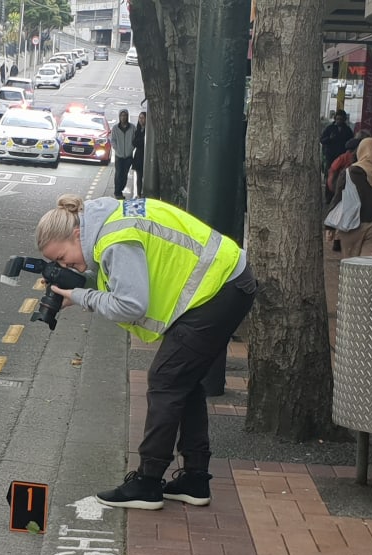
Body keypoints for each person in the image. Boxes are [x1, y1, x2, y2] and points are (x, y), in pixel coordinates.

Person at [34, 193, 255, 509]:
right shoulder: (108, 220)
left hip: (217, 289)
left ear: (75, 233)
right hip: (227, 281)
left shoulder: (114, 241)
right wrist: (81, 293)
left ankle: (148, 482)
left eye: (61, 256)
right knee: (183, 381)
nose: (64, 264)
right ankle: (195, 480)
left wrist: (84, 297)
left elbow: (130, 304)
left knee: (165, 381)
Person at [328, 137, 372, 257]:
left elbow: (337, 199)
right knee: (369, 265)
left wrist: (329, 226)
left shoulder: (349, 172)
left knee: (351, 263)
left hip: (351, 224)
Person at [111, 109, 135, 199]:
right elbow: (113, 140)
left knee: (125, 175)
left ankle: (120, 189)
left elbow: (134, 139)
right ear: (119, 117)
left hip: (128, 156)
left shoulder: (132, 128)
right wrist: (116, 148)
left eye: (125, 115)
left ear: (127, 116)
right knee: (118, 174)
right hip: (119, 155)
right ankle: (117, 192)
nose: (123, 117)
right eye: (122, 115)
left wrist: (131, 148)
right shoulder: (115, 128)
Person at [131, 111, 146, 198]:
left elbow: (142, 142)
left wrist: (139, 142)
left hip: (145, 155)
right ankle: (138, 194)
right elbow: (135, 142)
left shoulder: (147, 130)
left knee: (145, 176)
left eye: (143, 118)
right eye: (139, 118)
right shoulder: (138, 129)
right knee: (139, 176)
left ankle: (143, 193)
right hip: (138, 156)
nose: (141, 120)